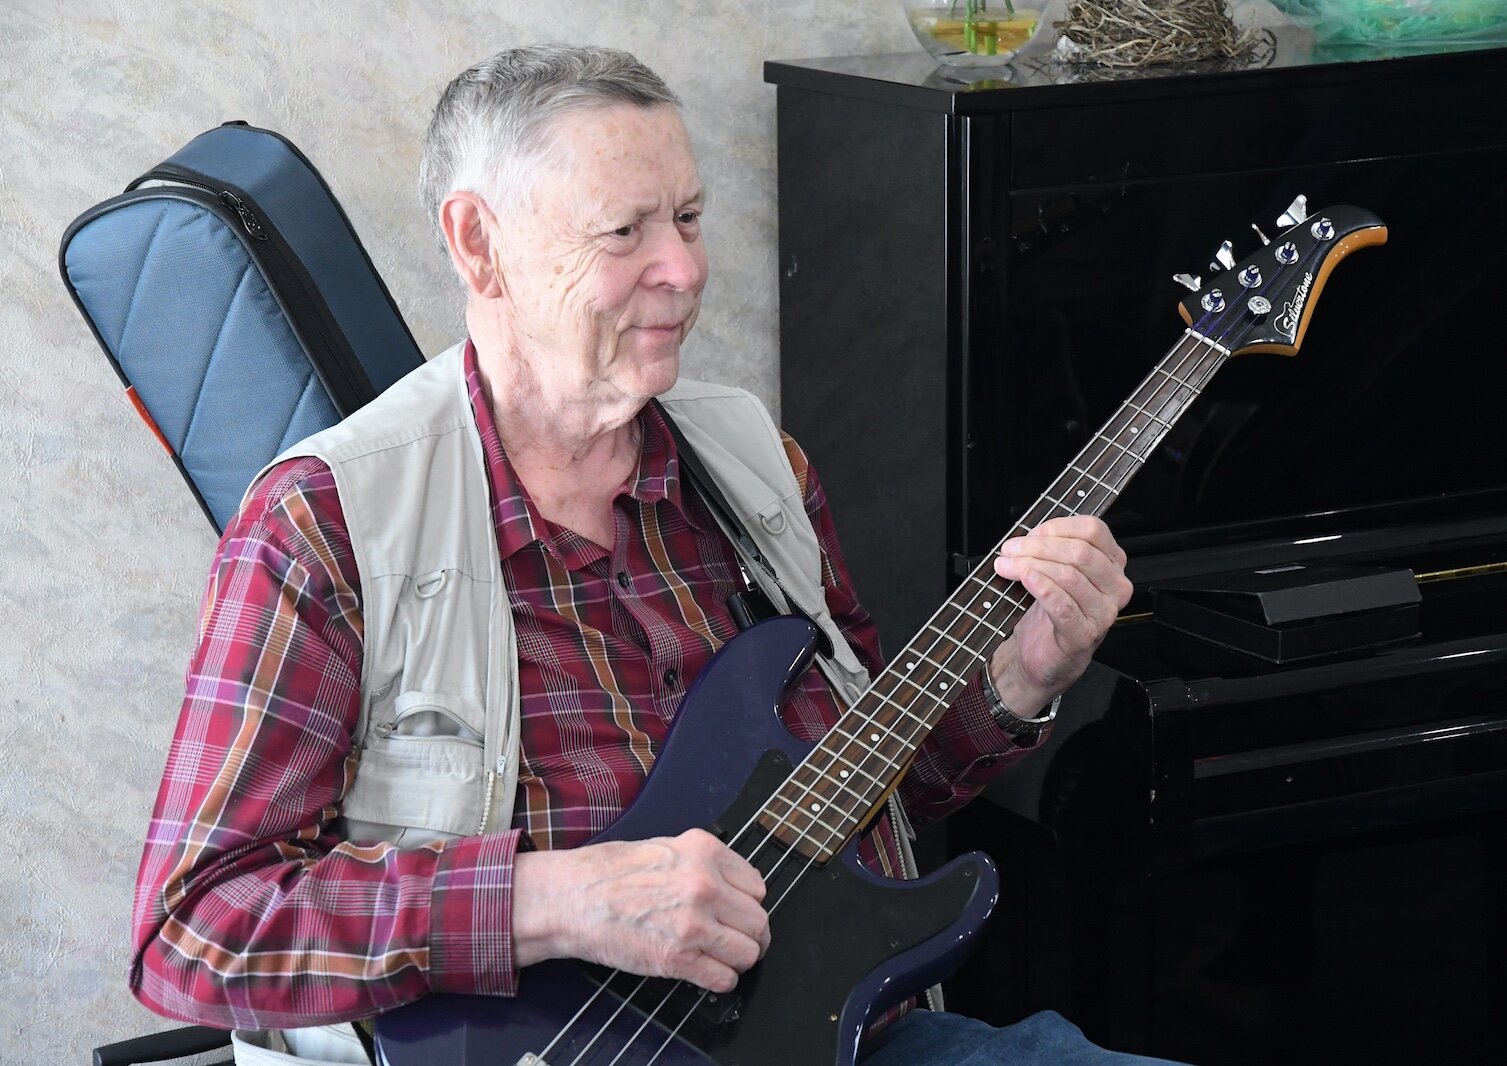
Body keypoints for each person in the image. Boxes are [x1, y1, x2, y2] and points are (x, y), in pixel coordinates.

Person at [130, 43, 1176, 1066]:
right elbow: (192, 930)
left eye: (687, 217)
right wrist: (551, 900)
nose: (682, 269)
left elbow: (868, 786)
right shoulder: (321, 525)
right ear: (478, 243)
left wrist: (1017, 677)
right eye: (625, 230)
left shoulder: (758, 465)